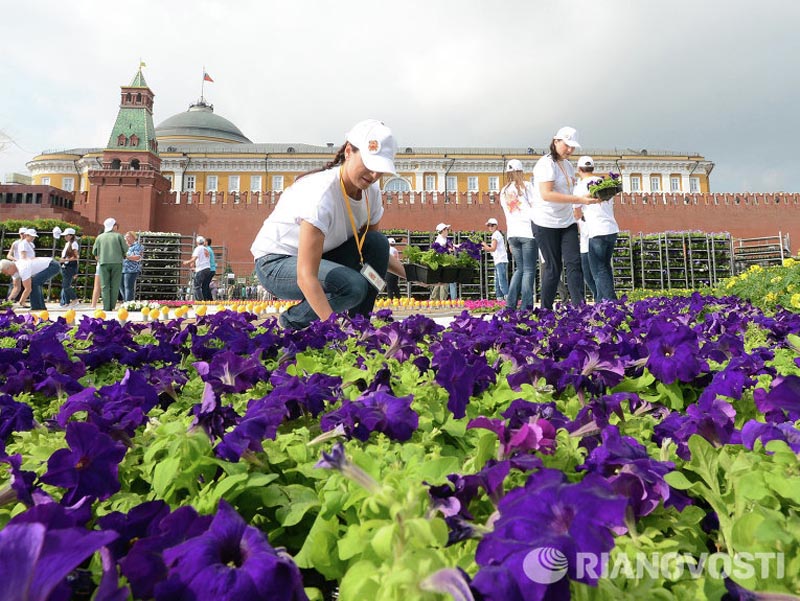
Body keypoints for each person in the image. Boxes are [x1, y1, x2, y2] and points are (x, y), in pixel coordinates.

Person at [250, 119, 404, 330]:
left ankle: (360, 327)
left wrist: (415, 275)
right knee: (352, 286)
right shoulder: (322, 194)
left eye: (381, 169)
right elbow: (306, 276)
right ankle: (291, 322)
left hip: (323, 257)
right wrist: (332, 331)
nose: (375, 175)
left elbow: (370, 253)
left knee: (376, 243)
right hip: (276, 263)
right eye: (369, 165)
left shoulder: (371, 193)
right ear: (349, 151)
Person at [531, 126, 601, 310]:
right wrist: (579, 200)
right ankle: (545, 310)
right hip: (545, 223)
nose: (570, 150)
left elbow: (570, 192)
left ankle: (579, 308)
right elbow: (547, 194)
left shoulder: (569, 166)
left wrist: (586, 202)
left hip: (566, 221)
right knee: (553, 269)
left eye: (573, 147)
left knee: (574, 263)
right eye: (567, 145)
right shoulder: (545, 164)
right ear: (556, 141)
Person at [574, 155, 620, 301]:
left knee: (598, 270)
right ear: (592, 168)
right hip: (612, 229)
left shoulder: (580, 186)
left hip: (596, 232)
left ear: (579, 169)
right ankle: (603, 301)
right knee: (606, 267)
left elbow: (576, 212)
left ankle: (609, 303)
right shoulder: (604, 183)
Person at [500, 160, 537, 310]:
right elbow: (536, 207)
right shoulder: (526, 186)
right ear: (521, 171)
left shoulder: (503, 191)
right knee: (528, 270)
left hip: (512, 234)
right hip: (527, 232)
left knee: (520, 269)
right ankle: (526, 306)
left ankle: (510, 304)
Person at [92, 217, 128, 312]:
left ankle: (106, 307)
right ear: (113, 226)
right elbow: (125, 249)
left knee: (104, 285)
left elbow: (94, 251)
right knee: (115, 285)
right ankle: (112, 306)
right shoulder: (118, 236)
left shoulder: (100, 237)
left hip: (103, 262)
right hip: (117, 262)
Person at [481, 217, 509, 301]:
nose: (490, 227)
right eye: (489, 225)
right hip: (500, 260)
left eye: (492, 225)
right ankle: (500, 298)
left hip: (500, 260)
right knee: (498, 280)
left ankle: (508, 298)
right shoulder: (497, 234)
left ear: (496, 226)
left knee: (501, 280)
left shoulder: (496, 234)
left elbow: (492, 248)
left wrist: (484, 245)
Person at [430, 223, 457, 301]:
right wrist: (448, 250)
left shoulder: (444, 238)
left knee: (440, 282)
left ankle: (435, 299)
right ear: (442, 231)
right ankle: (441, 300)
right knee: (444, 282)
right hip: (442, 263)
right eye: (446, 229)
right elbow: (439, 251)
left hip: (444, 262)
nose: (448, 231)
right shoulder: (440, 240)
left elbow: (451, 245)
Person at [184, 236, 211, 301]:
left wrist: (188, 261)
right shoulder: (206, 249)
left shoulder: (198, 248)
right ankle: (204, 299)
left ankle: (199, 301)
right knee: (201, 285)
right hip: (207, 268)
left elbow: (195, 258)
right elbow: (203, 260)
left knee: (196, 286)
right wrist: (195, 268)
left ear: (197, 242)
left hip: (201, 269)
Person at [59, 228, 80, 307]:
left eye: (66, 235)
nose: (65, 237)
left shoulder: (74, 244)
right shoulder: (68, 243)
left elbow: (76, 256)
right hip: (66, 266)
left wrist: (65, 260)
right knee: (66, 284)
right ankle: (66, 302)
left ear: (71, 236)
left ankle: (74, 299)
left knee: (66, 285)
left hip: (70, 266)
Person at [121, 231, 143, 302]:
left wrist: (127, 257)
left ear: (134, 238)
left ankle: (129, 303)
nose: (126, 238)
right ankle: (125, 301)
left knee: (128, 287)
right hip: (121, 269)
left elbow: (137, 257)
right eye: (125, 237)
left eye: (128, 237)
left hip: (131, 270)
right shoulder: (123, 246)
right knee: (121, 286)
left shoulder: (137, 246)